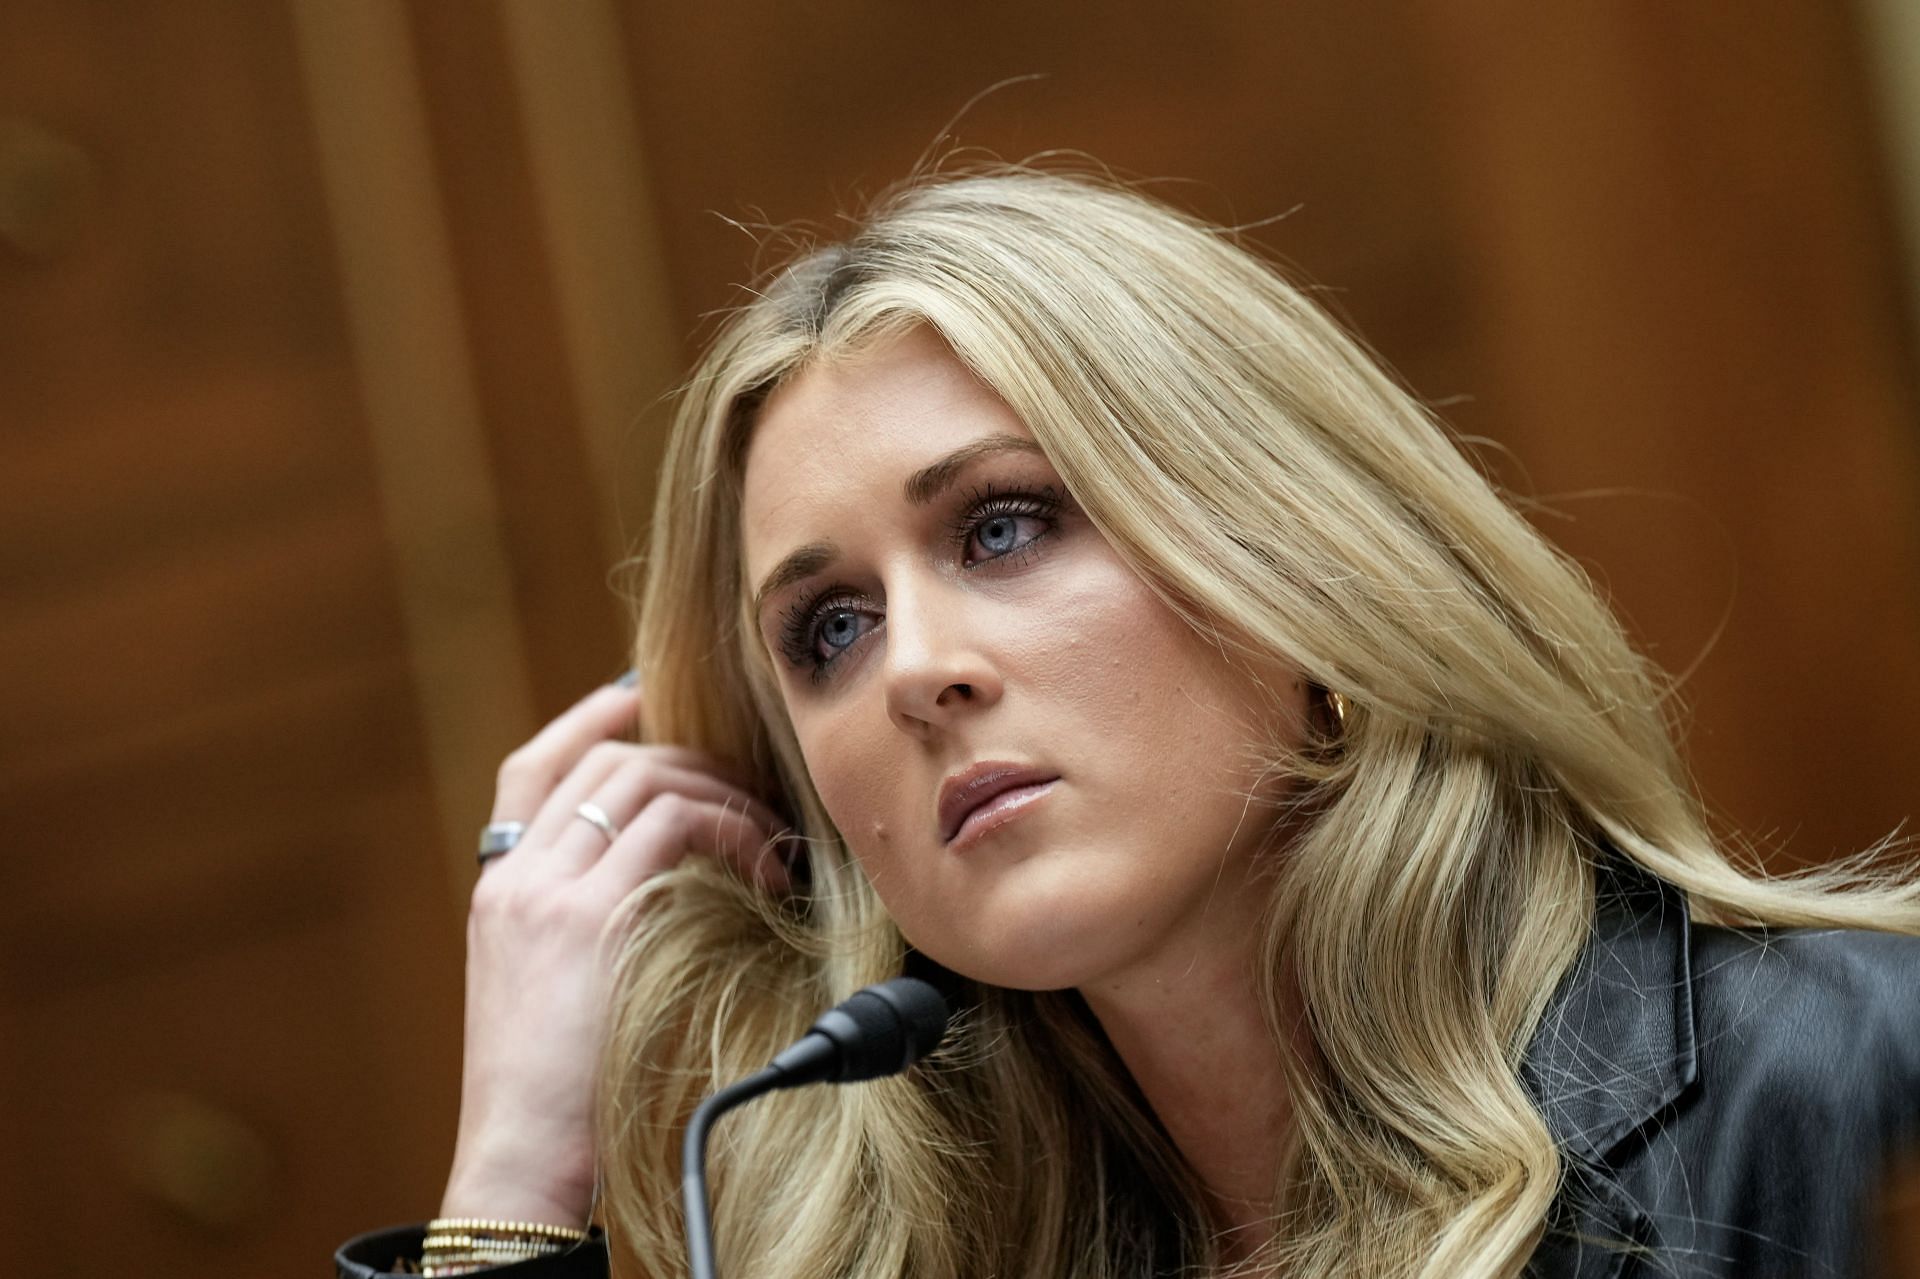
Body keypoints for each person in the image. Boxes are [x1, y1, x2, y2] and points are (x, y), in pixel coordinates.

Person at [336, 164, 1920, 1279]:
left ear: (1292, 558)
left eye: (1005, 527)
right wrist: (510, 1187)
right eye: (828, 629)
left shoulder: (1842, 1083)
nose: (912, 671)